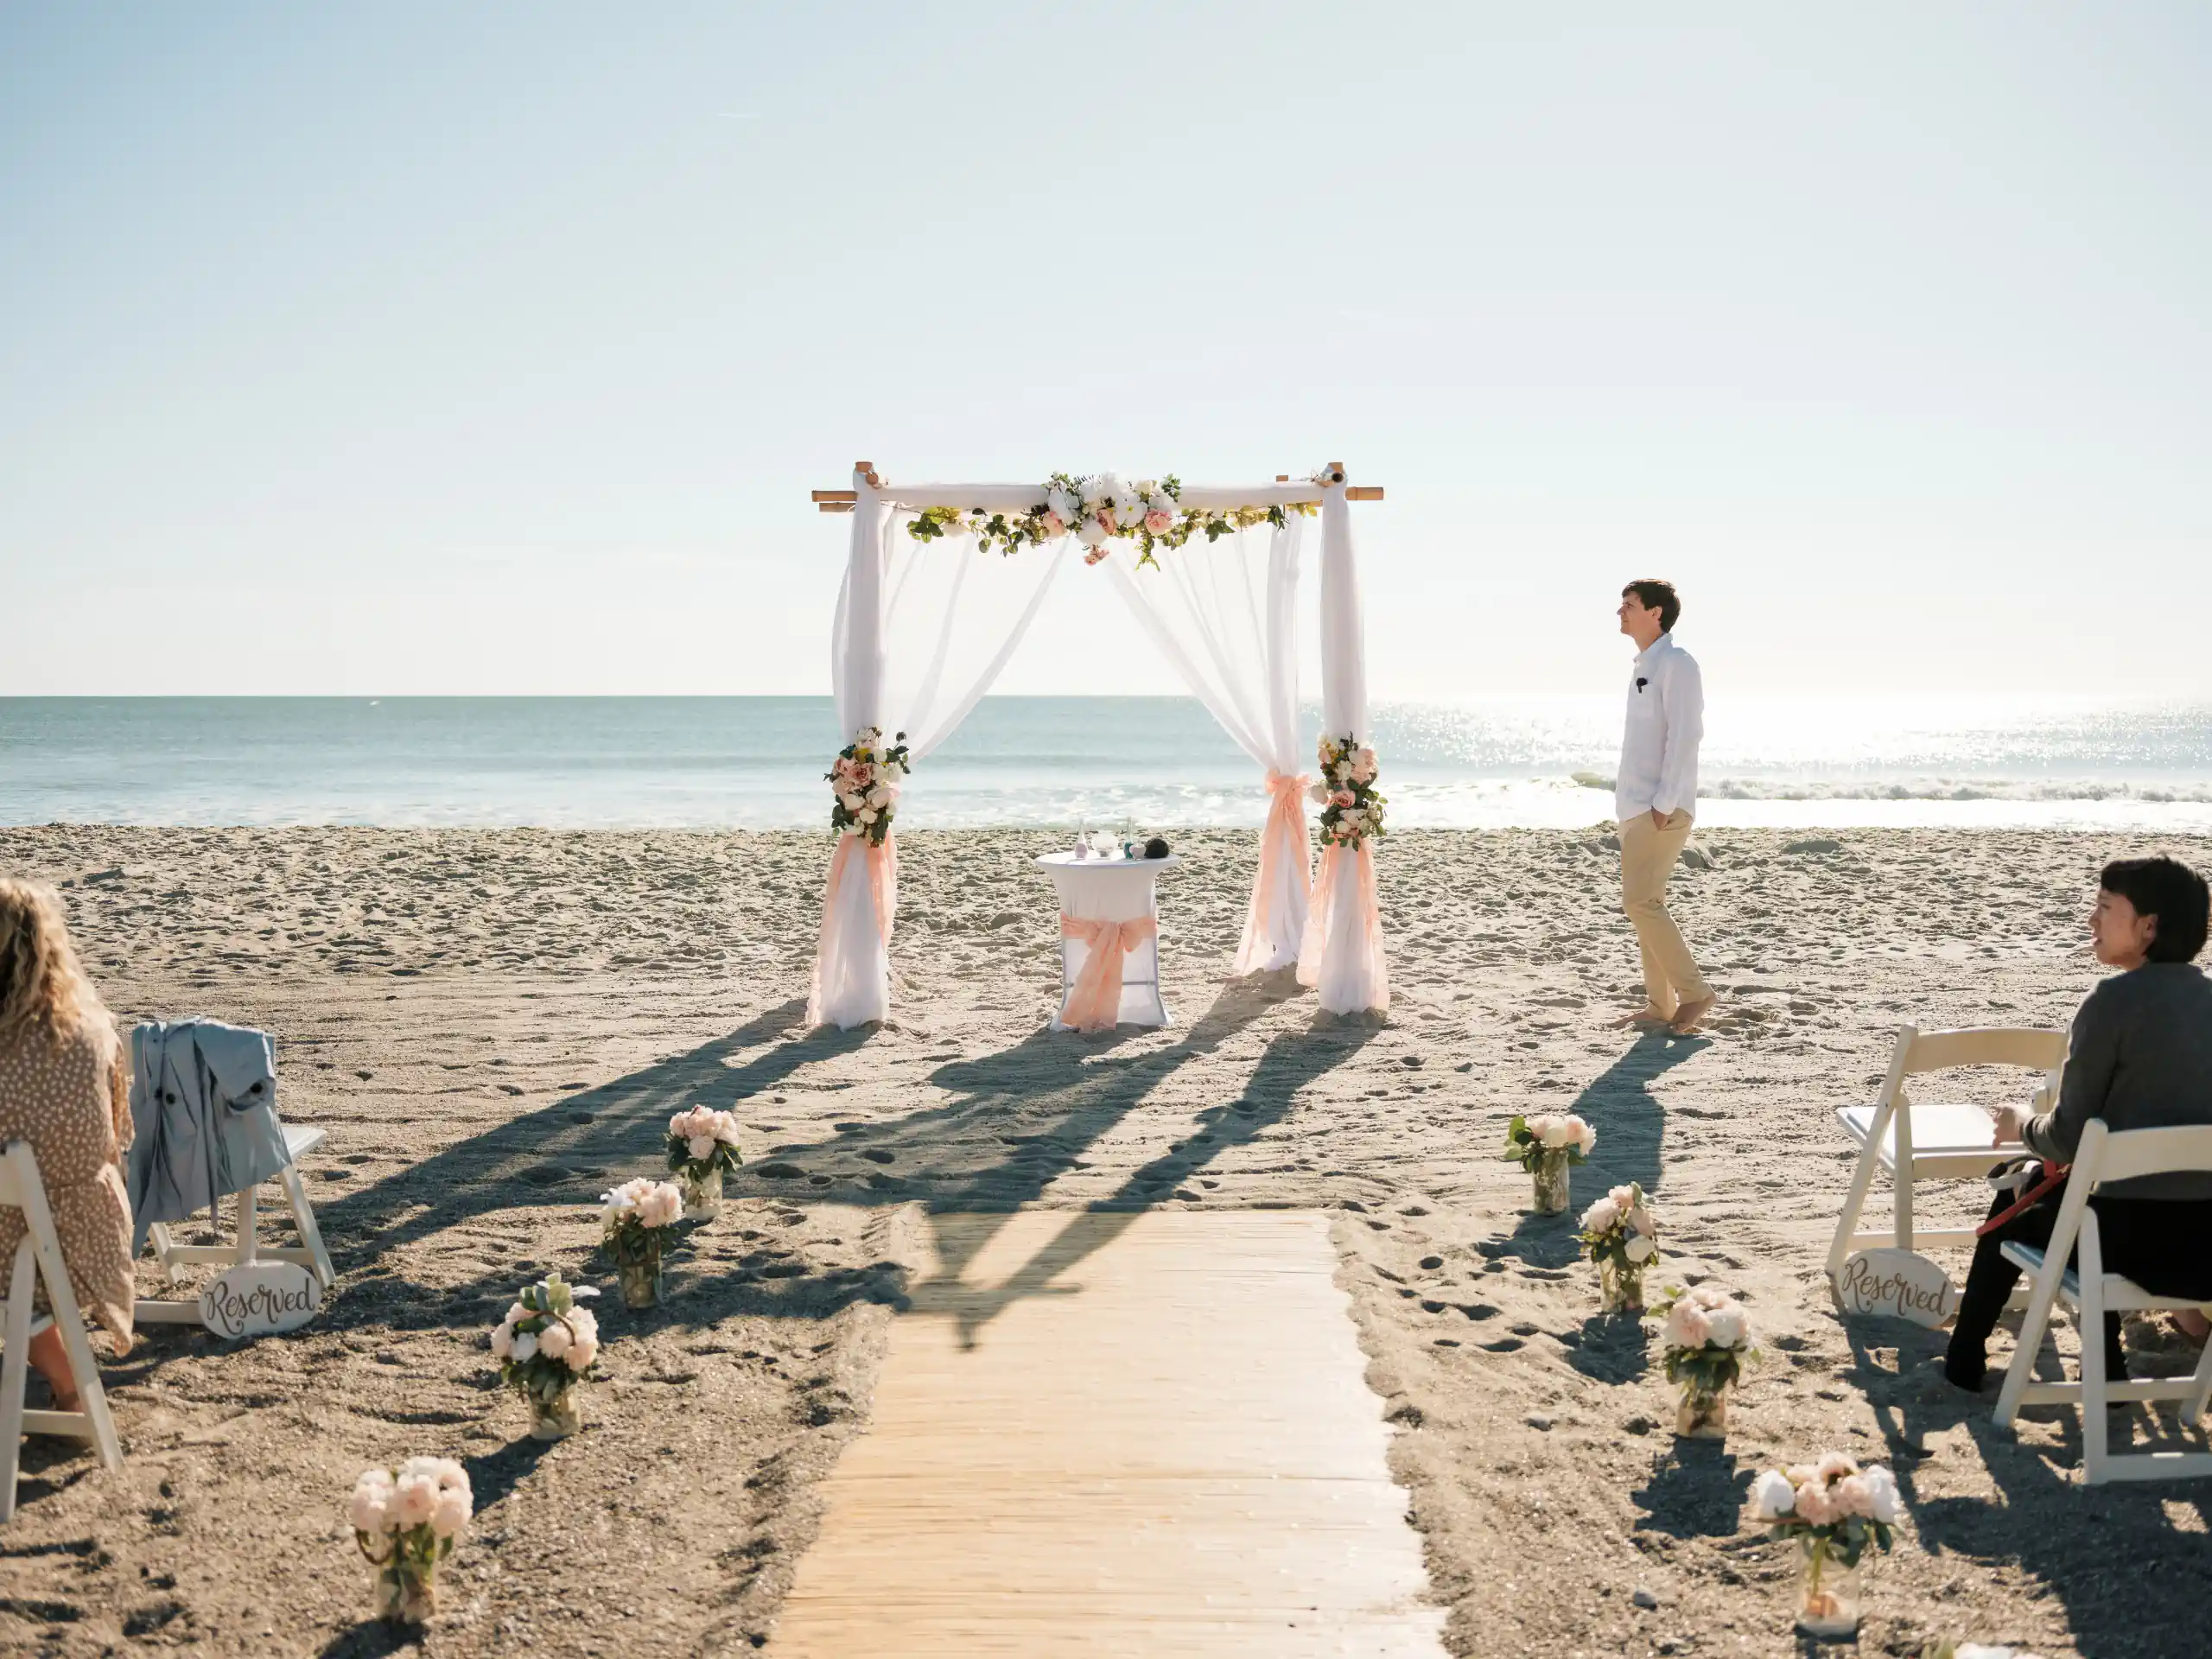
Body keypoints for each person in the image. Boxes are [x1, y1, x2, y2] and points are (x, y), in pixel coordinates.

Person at [1946, 855, 2212, 1391]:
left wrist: (2023, 1123)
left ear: (2148, 928)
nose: (2092, 919)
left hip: (2125, 1245)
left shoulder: (2109, 1004)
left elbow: (2067, 1140)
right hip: (2205, 1248)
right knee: (2087, 1201)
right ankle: (2112, 1365)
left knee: (2021, 1189)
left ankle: (1964, 1358)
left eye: (2105, 907)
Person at [0, 880, 136, 1409]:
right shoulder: (92, 1030)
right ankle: (70, 1389)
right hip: (86, 1235)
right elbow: (116, 1139)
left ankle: (69, 1385)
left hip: (16, 1250)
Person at [1611, 578, 1714, 1034]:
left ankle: (1694, 994)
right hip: (1635, 806)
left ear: (1656, 613)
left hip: (1659, 807)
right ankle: (1659, 1005)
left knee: (1641, 903)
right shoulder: (1644, 666)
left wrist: (1664, 801)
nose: (1621, 612)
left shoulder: (1677, 663)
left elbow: (1686, 734)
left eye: (1629, 605)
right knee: (1646, 904)